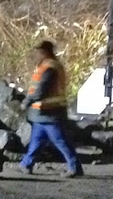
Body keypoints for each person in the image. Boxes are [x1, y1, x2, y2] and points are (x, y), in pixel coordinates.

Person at [17, 40, 83, 178]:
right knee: (37, 140)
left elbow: (41, 90)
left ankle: (74, 166)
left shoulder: (49, 68)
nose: (37, 54)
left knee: (60, 140)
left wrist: (27, 101)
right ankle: (26, 164)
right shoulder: (48, 65)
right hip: (44, 113)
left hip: (50, 112)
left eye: (39, 51)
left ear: (45, 52)